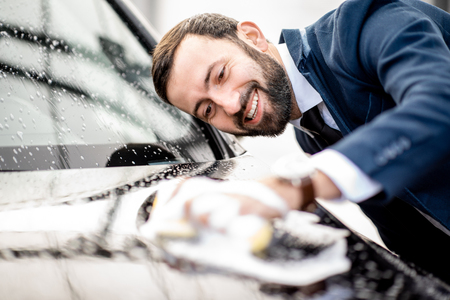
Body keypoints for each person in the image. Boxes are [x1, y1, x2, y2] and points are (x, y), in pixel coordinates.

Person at [151, 0, 450, 283]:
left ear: (252, 37)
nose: (229, 105)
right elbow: (409, 237)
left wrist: (293, 188)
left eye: (220, 75)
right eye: (207, 110)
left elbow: (440, 105)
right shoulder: (309, 136)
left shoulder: (365, 25)